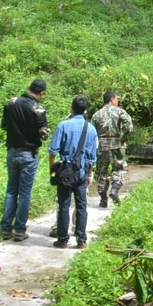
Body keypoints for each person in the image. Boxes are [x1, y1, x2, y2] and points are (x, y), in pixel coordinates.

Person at [0, 78, 49, 241]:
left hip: (12, 151)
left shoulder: (11, 103)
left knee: (11, 190)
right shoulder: (38, 109)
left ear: (29, 87)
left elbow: (4, 126)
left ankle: (6, 229)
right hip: (29, 153)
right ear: (41, 93)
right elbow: (44, 134)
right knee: (25, 193)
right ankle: (19, 230)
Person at [49, 96, 97, 249]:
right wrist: (89, 174)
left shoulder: (63, 125)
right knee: (81, 205)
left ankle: (62, 239)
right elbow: (92, 156)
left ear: (71, 108)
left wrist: (53, 169)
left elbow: (53, 151)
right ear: (85, 110)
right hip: (82, 171)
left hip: (65, 172)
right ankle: (81, 239)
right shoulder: (90, 128)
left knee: (64, 205)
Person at [91, 91, 133, 208]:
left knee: (101, 172)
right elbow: (129, 127)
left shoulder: (96, 115)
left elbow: (92, 133)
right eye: (116, 99)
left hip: (101, 146)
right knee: (119, 168)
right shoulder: (120, 111)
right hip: (116, 144)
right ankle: (114, 190)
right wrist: (123, 138)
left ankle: (103, 199)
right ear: (112, 99)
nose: (117, 101)